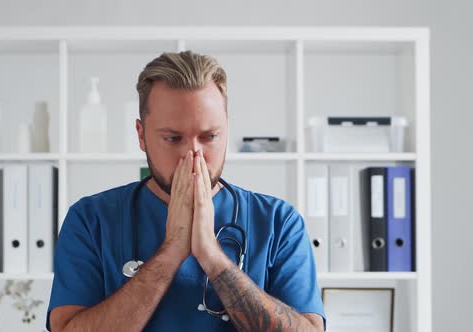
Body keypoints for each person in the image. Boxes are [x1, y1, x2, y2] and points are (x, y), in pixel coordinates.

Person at [46, 50, 326, 331]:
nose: (194, 154)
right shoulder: (91, 219)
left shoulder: (278, 222)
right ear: (142, 136)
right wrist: (171, 251)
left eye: (209, 137)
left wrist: (212, 257)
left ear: (227, 130)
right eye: (173, 138)